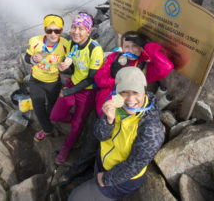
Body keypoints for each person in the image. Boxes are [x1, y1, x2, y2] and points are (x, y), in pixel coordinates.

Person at [60, 30, 173, 183]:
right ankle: (74, 172)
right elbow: (99, 80)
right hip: (103, 111)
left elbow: (166, 67)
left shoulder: (144, 66)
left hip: (125, 118)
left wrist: (147, 45)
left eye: (136, 46)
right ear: (121, 47)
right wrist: (113, 75)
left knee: (110, 148)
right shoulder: (114, 58)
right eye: (127, 46)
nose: (131, 50)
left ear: (141, 48)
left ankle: (93, 174)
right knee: (90, 144)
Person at [68, 66, 165, 200]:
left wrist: (106, 179)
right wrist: (108, 120)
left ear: (145, 91)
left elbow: (134, 165)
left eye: (136, 92)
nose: (130, 99)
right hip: (103, 162)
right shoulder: (117, 102)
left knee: (74, 198)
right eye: (124, 92)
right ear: (117, 92)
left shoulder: (151, 128)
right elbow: (100, 135)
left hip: (122, 180)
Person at [50, 12, 104, 163]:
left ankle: (67, 147)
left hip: (87, 91)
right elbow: (70, 59)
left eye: (81, 28)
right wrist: (63, 67)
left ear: (89, 31)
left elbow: (92, 77)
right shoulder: (72, 43)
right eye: (74, 27)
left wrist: (69, 91)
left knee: (76, 125)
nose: (76, 31)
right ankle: (77, 123)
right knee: (56, 116)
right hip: (73, 82)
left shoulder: (95, 49)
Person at [25, 14, 68, 141]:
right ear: (45, 30)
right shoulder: (34, 41)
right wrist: (32, 59)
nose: (53, 34)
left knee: (52, 106)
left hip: (53, 82)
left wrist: (66, 67)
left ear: (61, 30)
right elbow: (26, 57)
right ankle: (48, 129)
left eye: (57, 30)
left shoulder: (65, 45)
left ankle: (49, 121)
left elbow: (71, 63)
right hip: (36, 80)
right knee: (38, 107)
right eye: (49, 30)